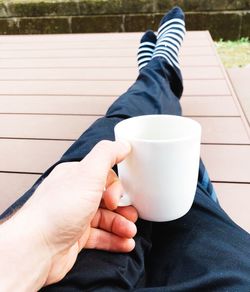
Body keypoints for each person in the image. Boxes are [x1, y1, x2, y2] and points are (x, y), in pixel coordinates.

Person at [0, 6, 250, 291]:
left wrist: (36, 241)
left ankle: (156, 73)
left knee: (125, 127)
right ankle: (159, 70)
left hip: (64, 265)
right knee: (145, 135)